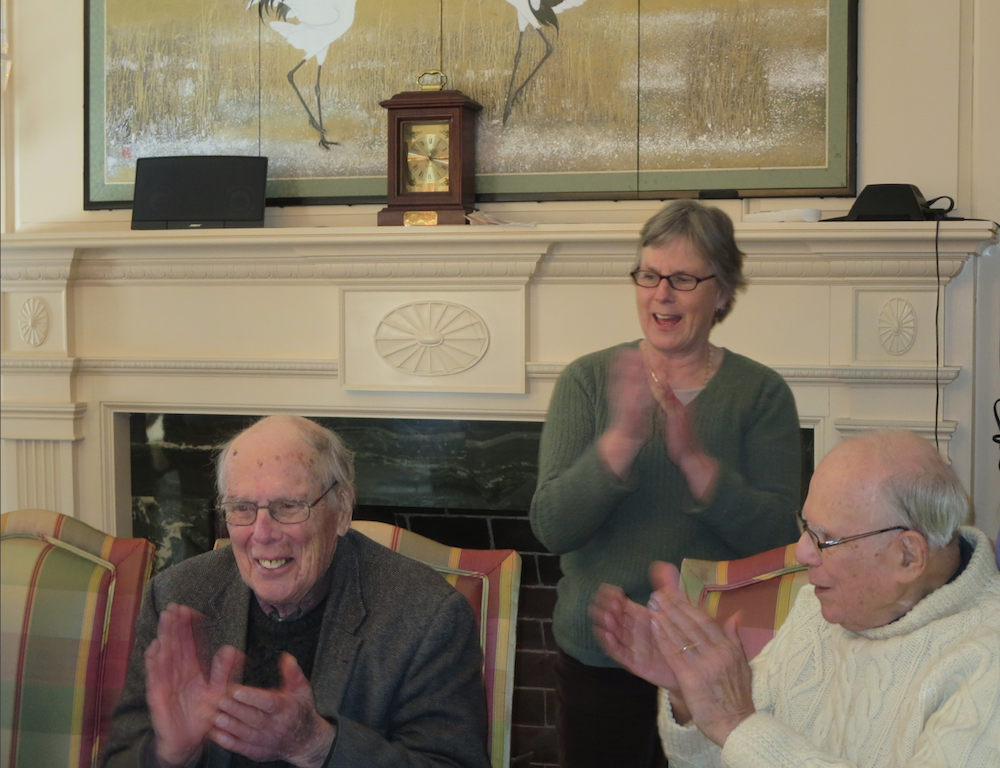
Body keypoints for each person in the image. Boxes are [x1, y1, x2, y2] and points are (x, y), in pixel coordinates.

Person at [529, 199, 802, 767]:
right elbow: (552, 527)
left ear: (722, 292)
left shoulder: (761, 393)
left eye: (682, 278)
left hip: (715, 662)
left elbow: (780, 540)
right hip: (600, 656)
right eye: (650, 275)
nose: (661, 295)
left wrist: (694, 460)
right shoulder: (586, 380)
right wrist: (623, 440)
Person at [592, 430, 1000, 767]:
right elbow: (727, 756)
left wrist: (736, 723)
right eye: (806, 526)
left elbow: (745, 735)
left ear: (907, 556)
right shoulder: (820, 609)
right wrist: (691, 696)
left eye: (824, 539)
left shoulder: (987, 661)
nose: (802, 552)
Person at [102, 415, 491, 768]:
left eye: (288, 506)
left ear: (342, 510)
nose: (263, 533)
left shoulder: (427, 614)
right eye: (241, 508)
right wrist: (170, 754)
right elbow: (120, 757)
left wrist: (318, 745)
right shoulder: (177, 596)